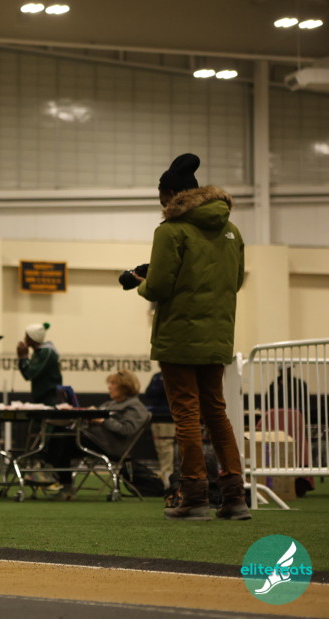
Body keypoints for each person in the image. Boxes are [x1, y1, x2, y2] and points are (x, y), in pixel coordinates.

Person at [135, 153, 250, 520]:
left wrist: (140, 283)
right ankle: (235, 497)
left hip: (179, 337)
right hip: (218, 335)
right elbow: (235, 282)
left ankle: (195, 497)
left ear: (170, 194)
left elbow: (159, 287)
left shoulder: (171, 231)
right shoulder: (232, 231)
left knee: (186, 415)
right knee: (217, 414)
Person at [43, 370, 150, 500]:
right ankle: (57, 478)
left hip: (112, 447)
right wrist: (83, 414)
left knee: (64, 438)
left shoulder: (136, 408)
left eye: (113, 383)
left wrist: (103, 420)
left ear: (125, 387)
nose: (109, 387)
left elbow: (127, 430)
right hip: (94, 440)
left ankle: (50, 473)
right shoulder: (109, 404)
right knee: (60, 434)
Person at [140, 366, 176, 488]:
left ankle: (168, 474)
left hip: (168, 416)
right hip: (155, 415)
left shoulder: (173, 375)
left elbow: (168, 391)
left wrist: (160, 389)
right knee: (159, 446)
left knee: (166, 445)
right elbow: (149, 392)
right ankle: (163, 472)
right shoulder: (157, 376)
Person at [16, 322, 62, 406]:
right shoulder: (37, 353)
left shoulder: (47, 353)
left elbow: (31, 374)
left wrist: (24, 357)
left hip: (50, 399)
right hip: (40, 398)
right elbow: (27, 375)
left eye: (27, 336)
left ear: (33, 338)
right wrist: (22, 358)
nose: (24, 338)